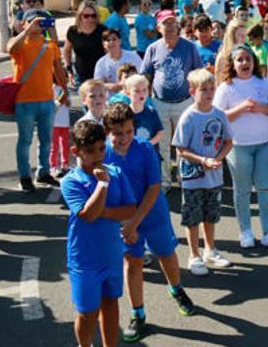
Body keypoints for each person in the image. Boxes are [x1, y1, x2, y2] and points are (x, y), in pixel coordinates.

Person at [101, 104, 195, 342]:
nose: (124, 138)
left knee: (166, 255)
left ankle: (177, 289)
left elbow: (154, 188)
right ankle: (138, 314)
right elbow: (105, 193)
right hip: (124, 220)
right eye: (118, 133)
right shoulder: (103, 156)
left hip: (152, 214)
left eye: (129, 131)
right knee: (133, 264)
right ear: (106, 131)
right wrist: (125, 223)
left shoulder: (144, 149)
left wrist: (135, 221)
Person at [61, 120, 137, 347]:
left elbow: (130, 208)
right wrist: (102, 186)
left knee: (111, 304)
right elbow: (87, 215)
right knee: (88, 313)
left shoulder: (115, 172)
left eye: (102, 148)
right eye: (91, 151)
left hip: (111, 254)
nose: (98, 155)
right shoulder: (70, 181)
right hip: (84, 259)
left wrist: (100, 210)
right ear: (76, 152)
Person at [213, 46, 268, 251]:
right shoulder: (226, 87)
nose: (245, 63)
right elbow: (218, 117)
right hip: (237, 147)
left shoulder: (264, 84)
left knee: (266, 189)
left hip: (265, 145)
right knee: (242, 190)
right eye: (240, 60)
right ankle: (245, 231)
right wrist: (241, 108)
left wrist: (262, 108)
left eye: (248, 59)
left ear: (254, 61)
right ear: (233, 64)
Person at [172, 68, 234, 276]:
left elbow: (228, 142)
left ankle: (210, 249)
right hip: (193, 179)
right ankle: (194, 255)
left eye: (211, 88)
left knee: (211, 215)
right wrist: (202, 160)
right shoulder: (189, 117)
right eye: (203, 89)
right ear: (192, 92)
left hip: (213, 177)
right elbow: (180, 149)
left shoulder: (219, 114)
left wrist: (217, 159)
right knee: (192, 217)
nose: (208, 93)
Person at [141, 9, 204, 191]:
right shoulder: (152, 49)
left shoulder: (189, 47)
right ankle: (165, 182)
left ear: (178, 26)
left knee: (184, 143)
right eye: (165, 24)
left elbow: (197, 72)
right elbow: (146, 75)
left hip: (184, 102)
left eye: (172, 23)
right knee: (162, 145)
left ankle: (185, 178)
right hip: (159, 103)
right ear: (158, 27)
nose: (169, 27)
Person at [9, 10, 68, 192]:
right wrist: (27, 31)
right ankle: (25, 176)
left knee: (46, 140)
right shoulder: (20, 43)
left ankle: (43, 172)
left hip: (47, 101)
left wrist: (64, 91)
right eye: (34, 22)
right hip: (24, 102)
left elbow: (58, 69)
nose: (38, 26)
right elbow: (11, 49)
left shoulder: (50, 45)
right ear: (24, 24)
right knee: (25, 140)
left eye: (41, 23)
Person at [65, 2, 106, 86]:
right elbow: (67, 51)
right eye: (86, 16)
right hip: (80, 76)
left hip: (100, 75)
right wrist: (69, 69)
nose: (90, 19)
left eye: (93, 15)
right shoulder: (73, 31)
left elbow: (108, 52)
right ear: (80, 16)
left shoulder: (103, 30)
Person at [94, 29, 143, 95]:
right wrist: (110, 86)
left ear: (120, 41)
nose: (111, 42)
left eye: (114, 39)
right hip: (111, 101)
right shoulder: (101, 63)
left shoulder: (133, 56)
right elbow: (98, 84)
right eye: (107, 40)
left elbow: (143, 75)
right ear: (103, 44)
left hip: (133, 97)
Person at [123, 74, 163, 147]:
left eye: (144, 90)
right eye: (137, 91)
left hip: (149, 153)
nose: (141, 93)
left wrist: (149, 144)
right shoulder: (124, 113)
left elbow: (160, 132)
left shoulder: (151, 112)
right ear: (128, 93)